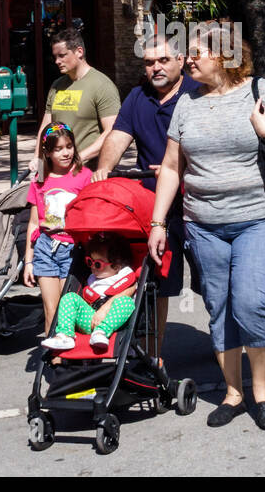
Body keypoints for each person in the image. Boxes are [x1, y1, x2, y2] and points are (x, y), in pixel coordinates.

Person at [150, 27, 265, 431]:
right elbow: (172, 166)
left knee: (253, 302)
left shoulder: (259, 91)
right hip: (203, 224)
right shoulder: (186, 102)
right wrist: (157, 222)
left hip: (259, 219)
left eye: (197, 53)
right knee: (219, 308)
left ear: (224, 56)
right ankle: (233, 393)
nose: (189, 60)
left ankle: (261, 389)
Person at [95, 36, 200, 352]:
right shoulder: (138, 96)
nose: (156, 67)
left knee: (213, 283)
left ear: (180, 61)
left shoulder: (197, 94)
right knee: (156, 285)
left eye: (163, 60)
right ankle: (154, 358)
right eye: (150, 62)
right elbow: (118, 136)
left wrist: (177, 168)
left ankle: (230, 348)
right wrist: (103, 171)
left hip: (197, 204)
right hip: (155, 208)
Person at [25, 122, 93, 332]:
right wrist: (28, 261)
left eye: (69, 146)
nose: (66, 153)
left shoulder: (84, 176)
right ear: (47, 152)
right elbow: (34, 223)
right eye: (58, 149)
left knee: (68, 309)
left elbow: (90, 217)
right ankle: (54, 362)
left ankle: (72, 360)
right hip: (45, 248)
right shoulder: (40, 179)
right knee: (51, 310)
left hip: (72, 248)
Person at [33, 27, 120, 172]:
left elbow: (112, 131)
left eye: (62, 55)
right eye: (55, 56)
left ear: (79, 51)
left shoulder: (102, 85)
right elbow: (45, 128)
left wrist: (79, 158)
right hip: (58, 172)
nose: (57, 61)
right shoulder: (57, 85)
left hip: (88, 172)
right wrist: (39, 162)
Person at [40, 233, 138, 352]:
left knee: (126, 302)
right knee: (69, 297)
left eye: (98, 264)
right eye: (90, 262)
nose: (93, 267)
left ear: (116, 266)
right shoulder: (92, 278)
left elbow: (133, 289)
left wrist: (105, 309)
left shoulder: (124, 276)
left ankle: (101, 332)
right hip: (90, 320)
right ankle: (65, 335)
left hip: (115, 322)